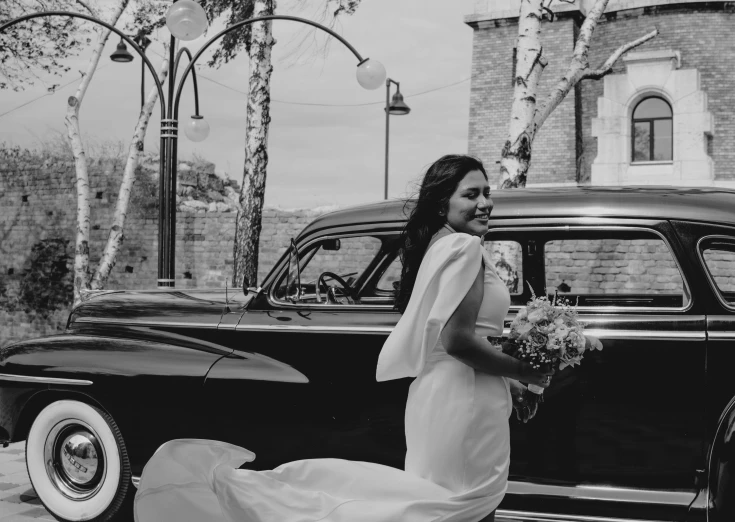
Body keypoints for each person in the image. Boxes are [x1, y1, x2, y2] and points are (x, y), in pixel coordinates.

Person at [133, 154, 554, 522]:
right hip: (466, 402)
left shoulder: (439, 247)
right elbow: (460, 341)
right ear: (443, 201)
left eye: (487, 192)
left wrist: (510, 380)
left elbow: (446, 343)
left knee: (436, 506)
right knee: (462, 507)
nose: (485, 203)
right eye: (471, 194)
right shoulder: (464, 248)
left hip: (441, 396)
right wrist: (526, 370)